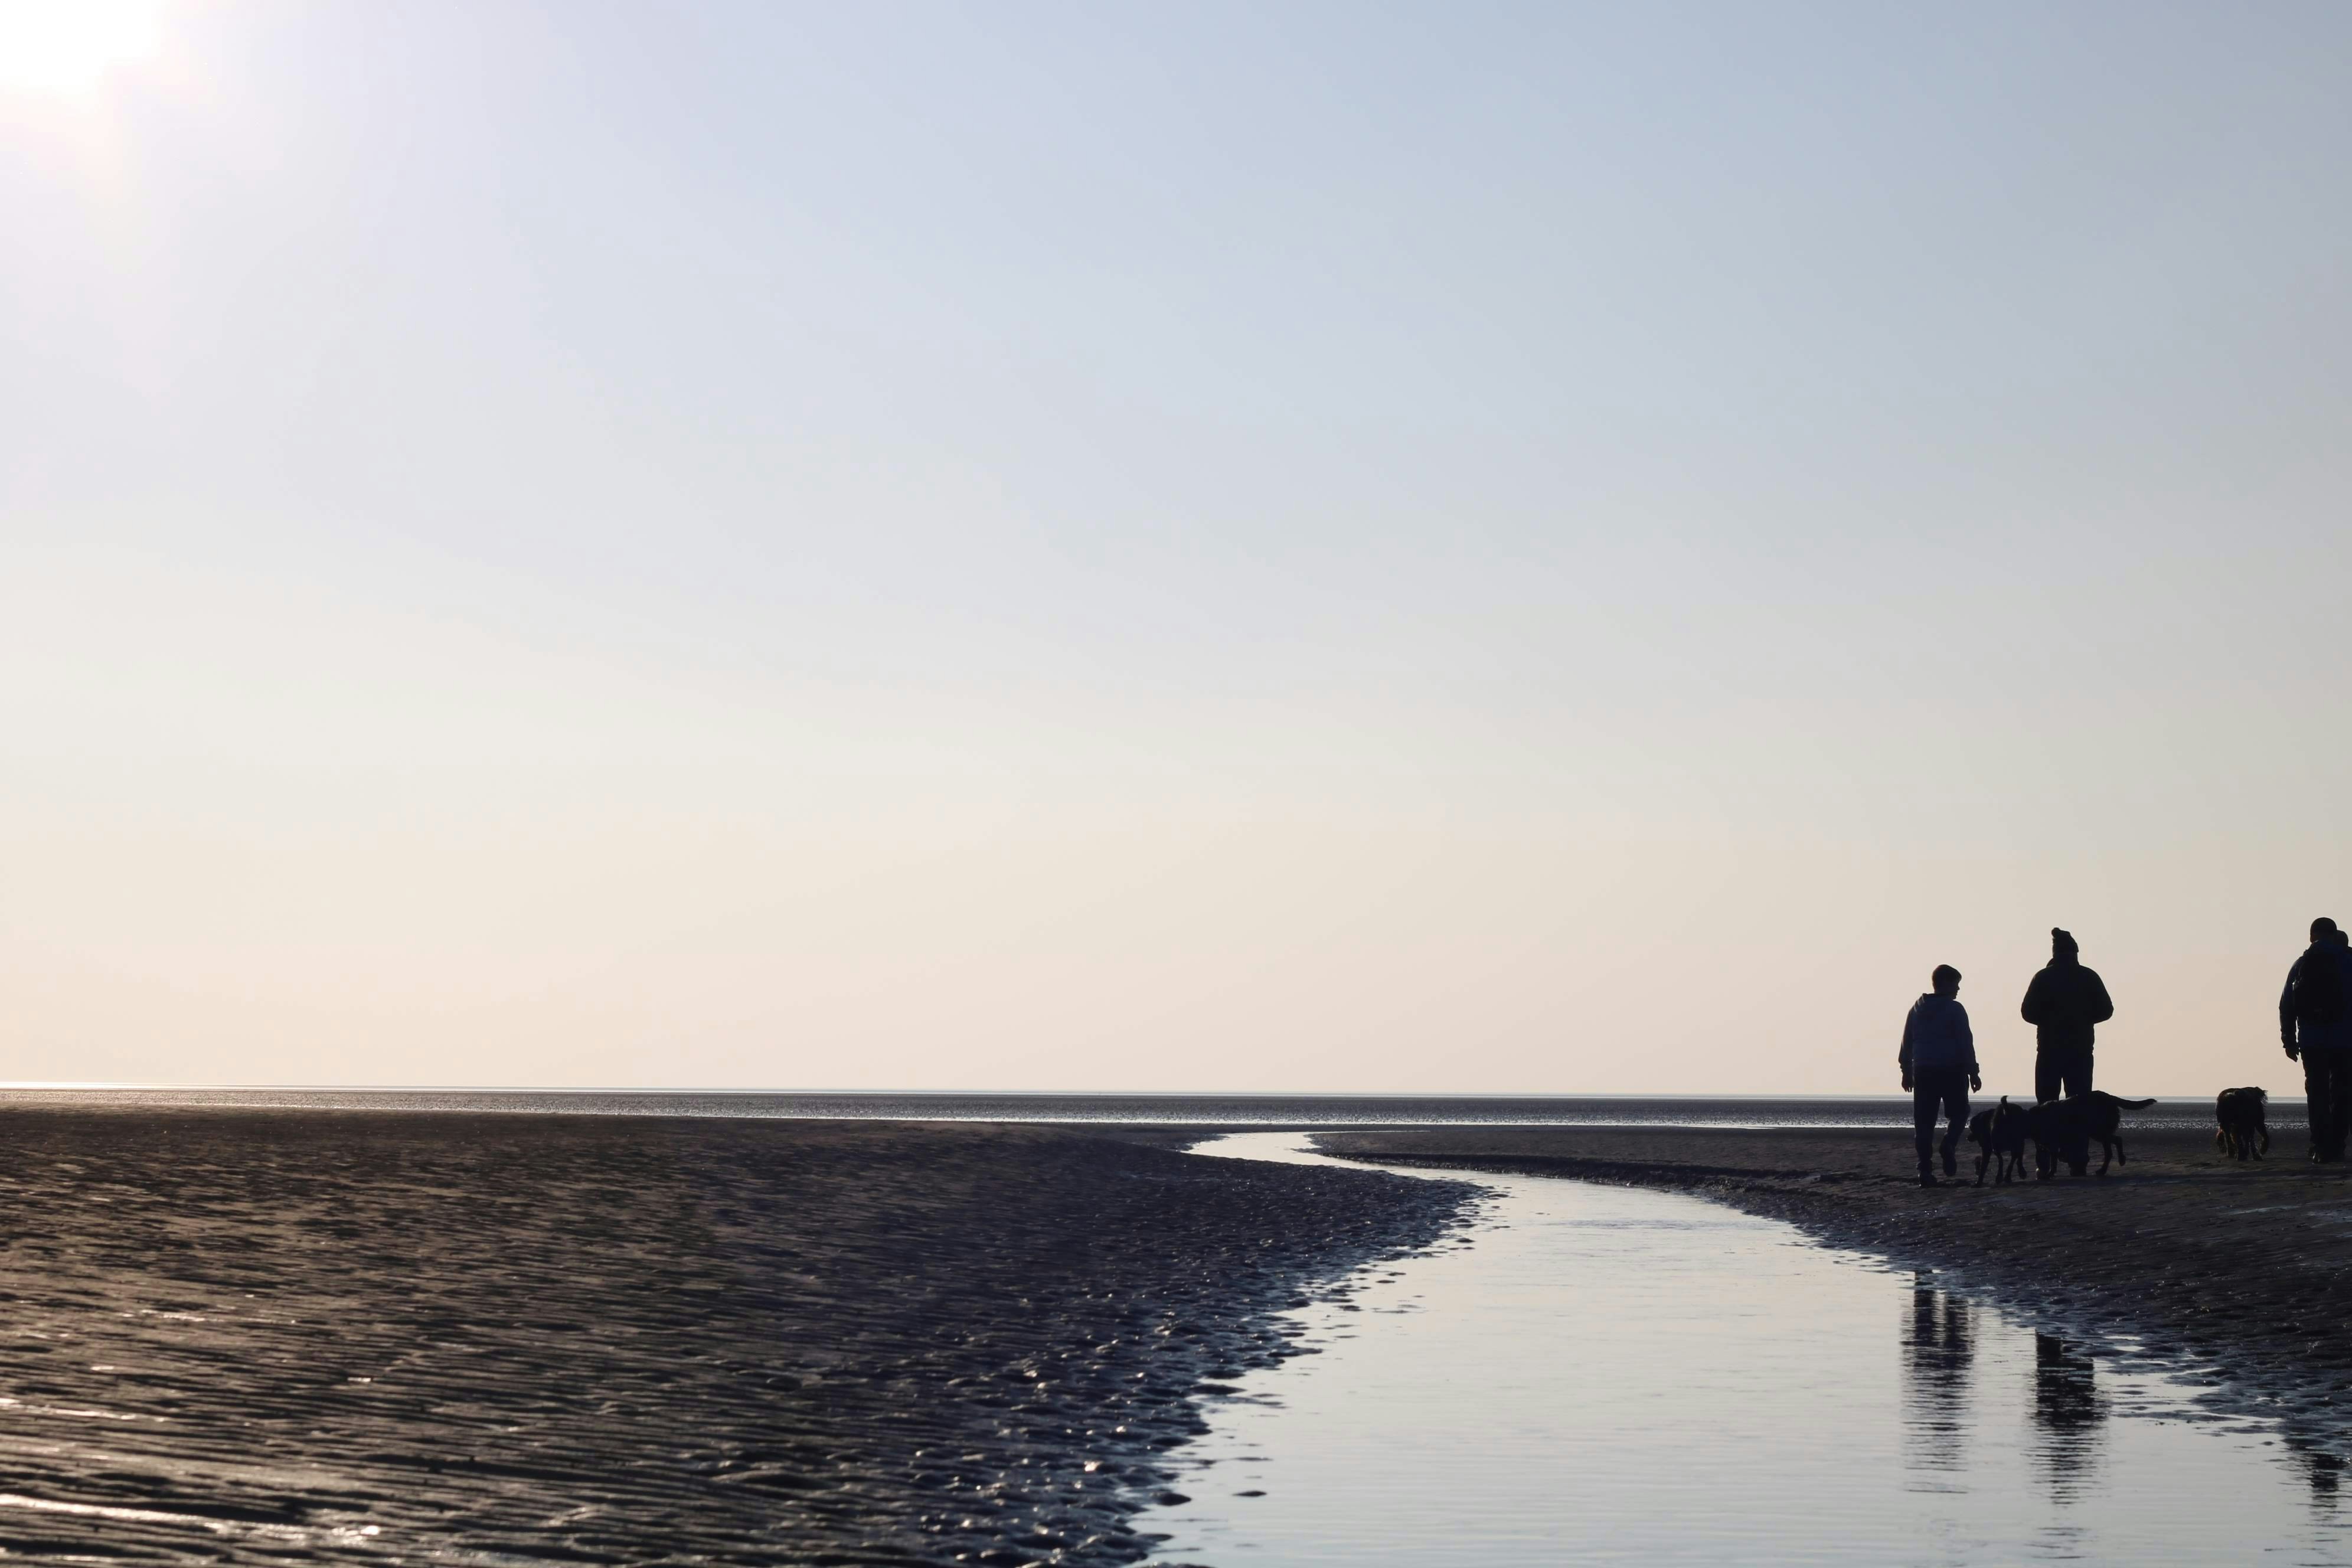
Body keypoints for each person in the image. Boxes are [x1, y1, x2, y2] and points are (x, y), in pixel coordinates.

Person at [1900, 963, 1979, 1188]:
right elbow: (1966, 1043)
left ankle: (1925, 1169)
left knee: (1924, 1123)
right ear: (1944, 983)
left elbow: (1906, 1042)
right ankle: (1949, 1143)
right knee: (1961, 1111)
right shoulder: (1955, 1009)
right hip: (1952, 1069)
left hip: (1923, 1070)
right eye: (1956, 984)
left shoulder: (1916, 1009)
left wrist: (1906, 1070)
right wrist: (1973, 1072)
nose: (1958, 989)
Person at [2279, 917, 2352, 1162]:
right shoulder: (2349, 961)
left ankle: (2321, 1148)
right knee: (2342, 1095)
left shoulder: (2302, 963)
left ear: (2312, 936)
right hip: (2345, 1041)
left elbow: (2286, 1004)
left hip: (2312, 1041)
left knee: (2317, 1095)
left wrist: (2288, 1039)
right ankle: (2338, 1145)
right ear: (2334, 935)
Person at [2021, 928, 2113, 1103]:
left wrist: (2050, 1022)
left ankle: (2049, 1130)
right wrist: (2083, 1020)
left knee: (2047, 1101)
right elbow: (2107, 1010)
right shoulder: (2089, 976)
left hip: (2050, 1047)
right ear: (2075, 953)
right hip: (2080, 1047)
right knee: (2079, 1099)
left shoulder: (2042, 977)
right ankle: (2075, 1130)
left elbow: (2027, 1012)